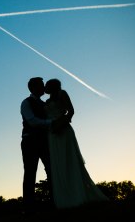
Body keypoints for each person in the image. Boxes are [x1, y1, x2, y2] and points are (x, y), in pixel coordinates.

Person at [44, 78, 109, 209]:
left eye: (47, 85)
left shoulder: (62, 94)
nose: (45, 87)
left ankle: (78, 195)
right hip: (52, 135)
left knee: (69, 160)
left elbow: (71, 111)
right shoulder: (46, 101)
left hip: (64, 130)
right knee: (59, 163)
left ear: (52, 86)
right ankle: (65, 197)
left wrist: (62, 123)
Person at [20, 77, 56, 215]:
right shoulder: (26, 103)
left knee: (51, 171)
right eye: (41, 85)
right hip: (30, 142)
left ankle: (55, 202)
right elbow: (32, 121)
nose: (44, 87)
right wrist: (51, 122)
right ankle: (29, 207)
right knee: (30, 172)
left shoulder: (44, 103)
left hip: (45, 141)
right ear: (33, 88)